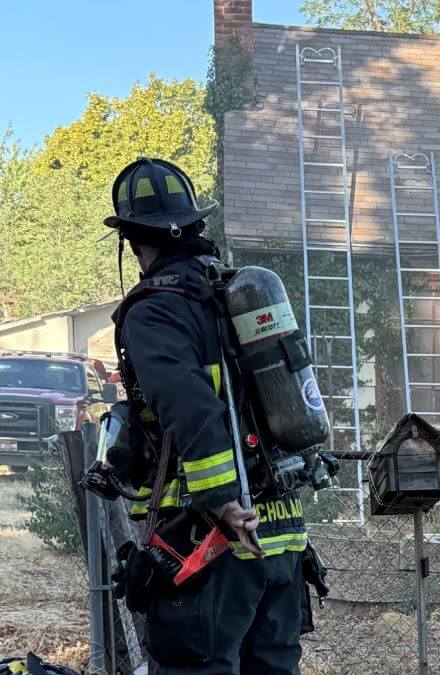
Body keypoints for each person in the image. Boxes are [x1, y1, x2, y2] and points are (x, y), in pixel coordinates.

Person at [106, 157, 314, 673]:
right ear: (196, 224)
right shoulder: (235, 294)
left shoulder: (155, 309)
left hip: (210, 543)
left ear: (132, 239)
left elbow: (190, 407)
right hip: (282, 536)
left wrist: (223, 502)